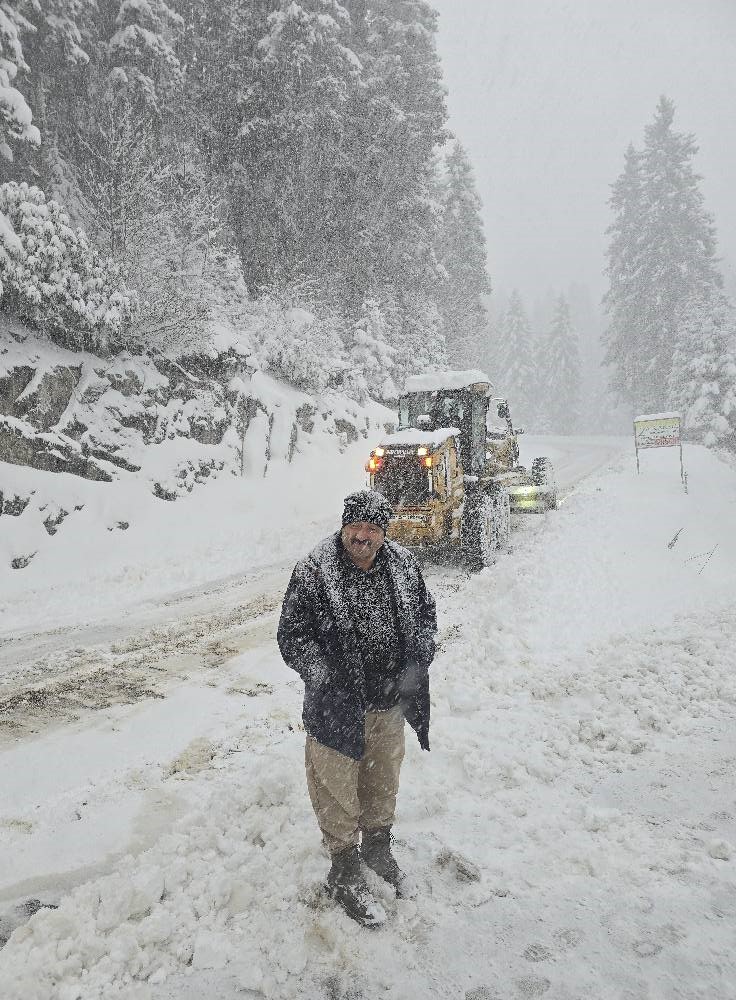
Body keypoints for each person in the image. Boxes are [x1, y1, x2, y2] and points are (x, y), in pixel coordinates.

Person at [277, 489, 437, 926]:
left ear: (384, 532)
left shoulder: (403, 565)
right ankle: (344, 866)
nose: (362, 536)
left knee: (382, 780)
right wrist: (324, 675)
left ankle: (378, 847)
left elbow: (425, 618)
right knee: (335, 787)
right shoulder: (315, 568)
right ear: (344, 525)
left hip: (388, 703)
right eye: (355, 526)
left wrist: (417, 661)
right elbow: (292, 635)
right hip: (335, 708)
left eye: (372, 528)